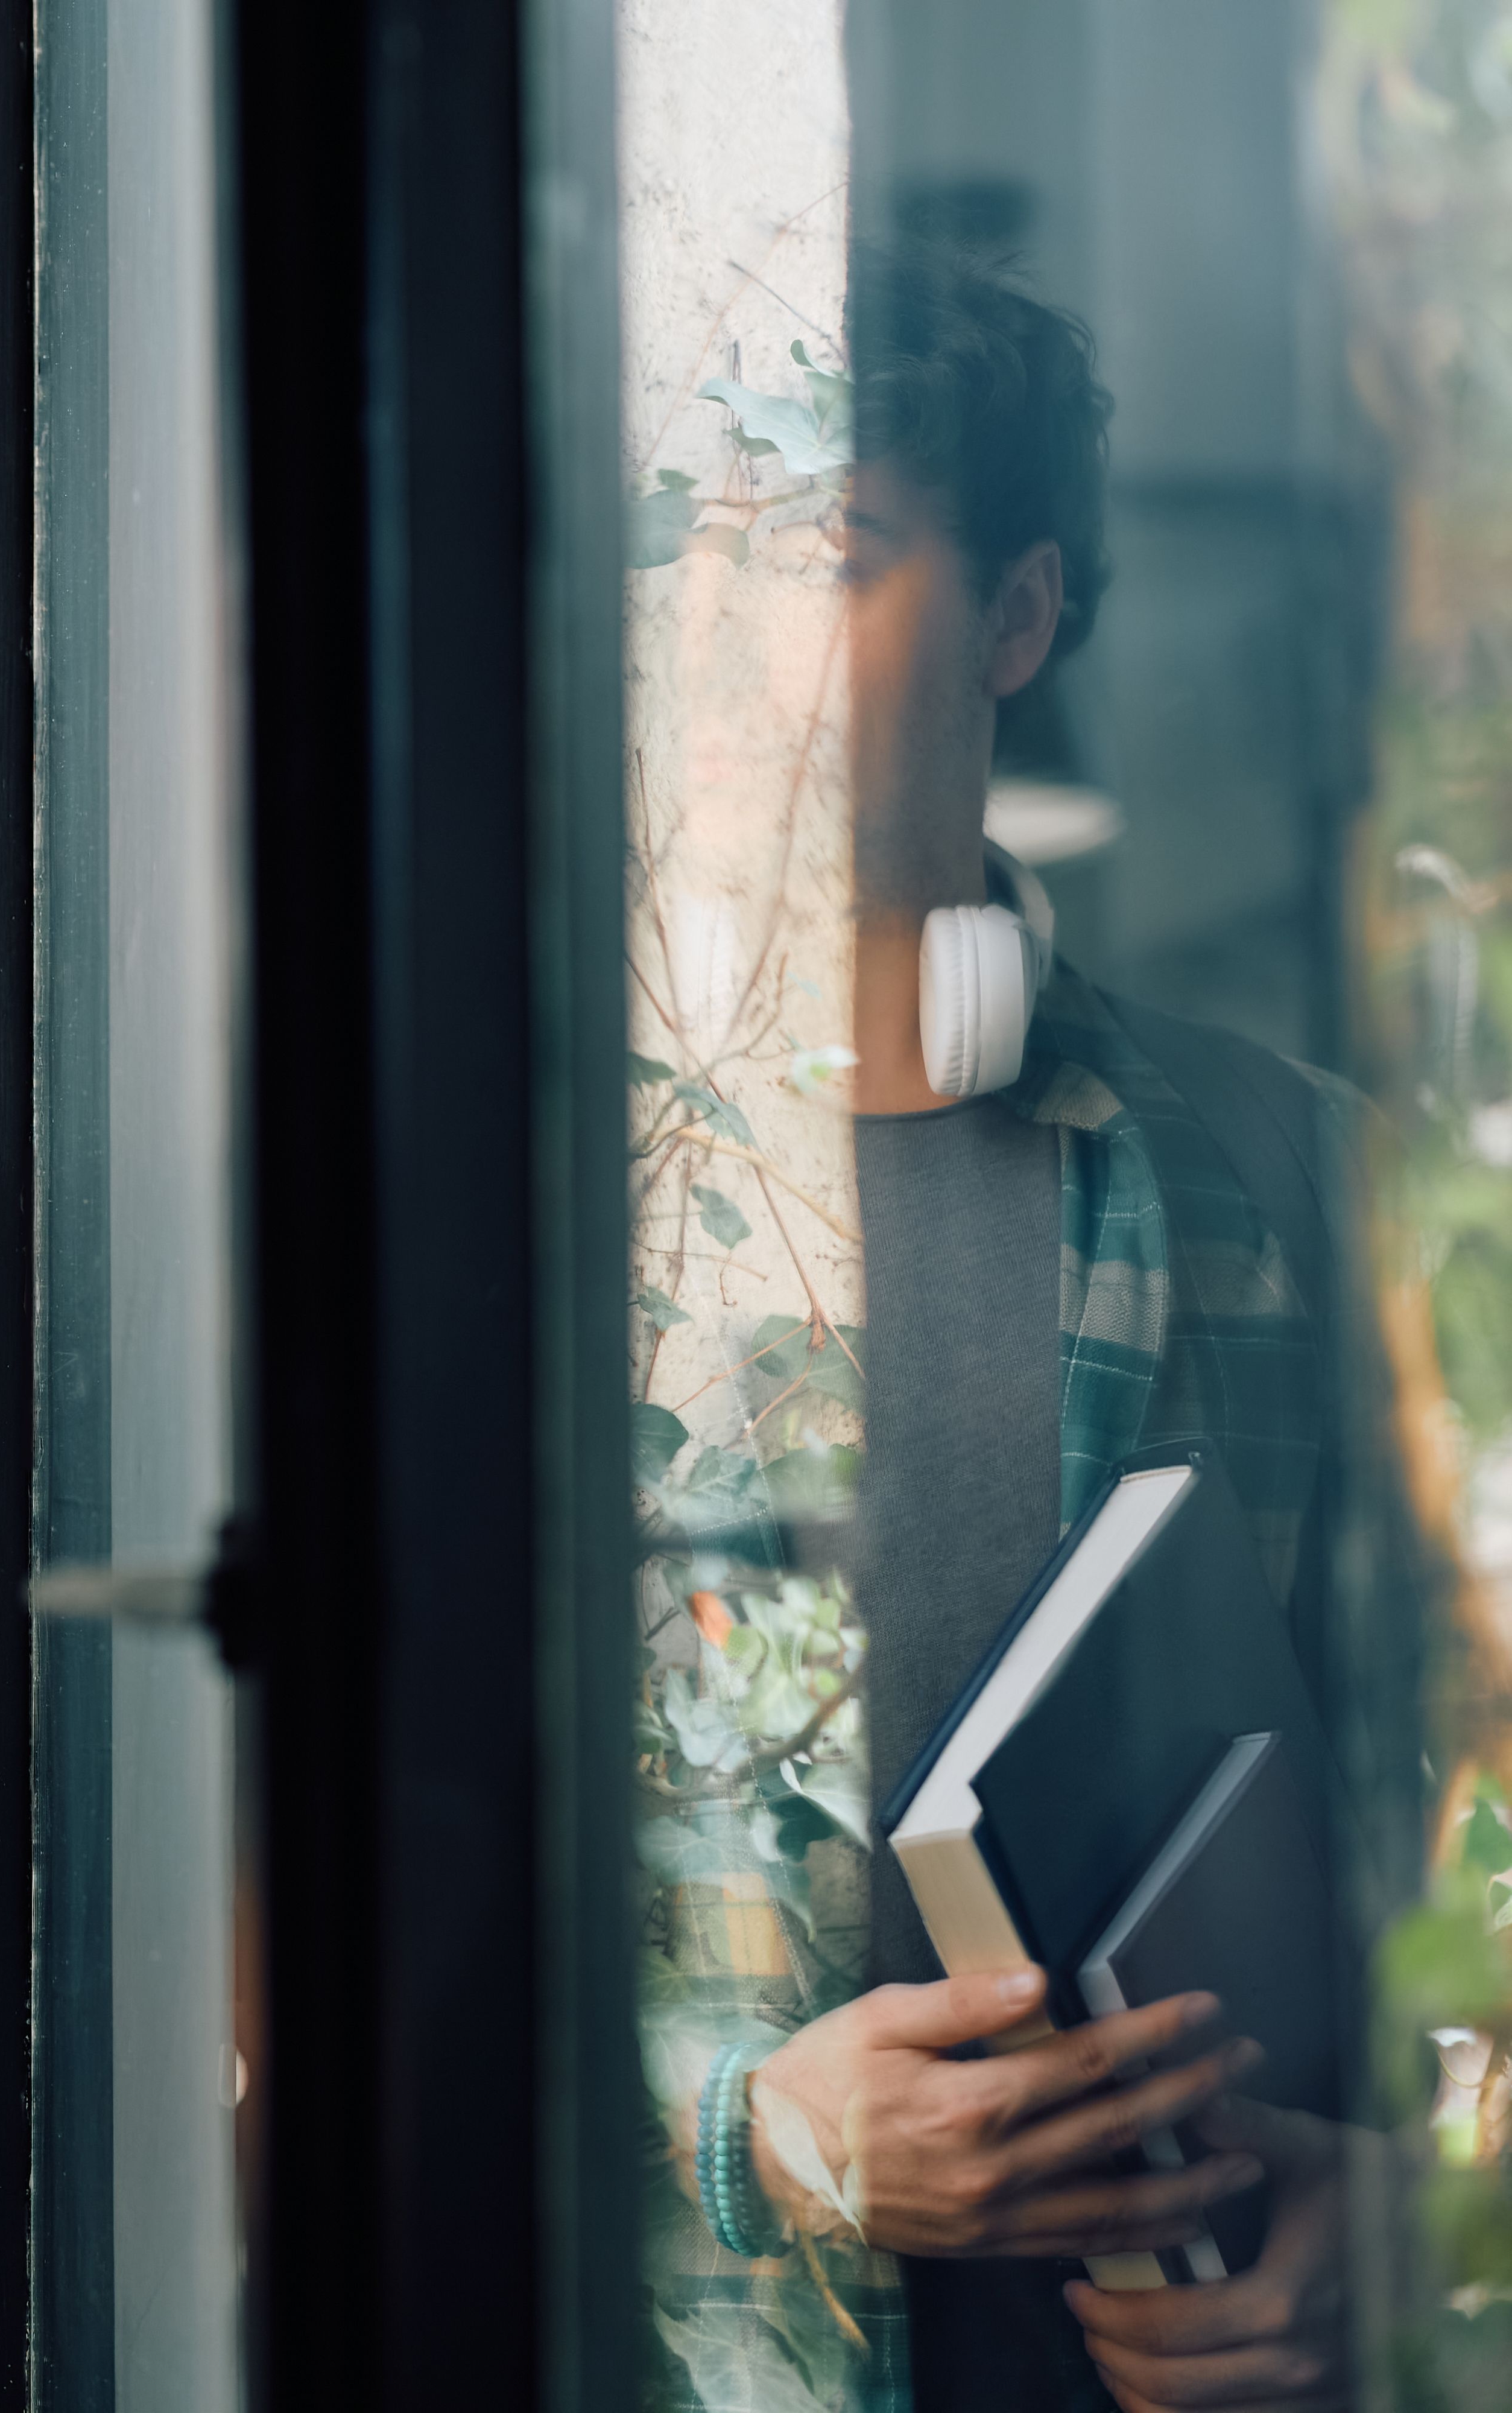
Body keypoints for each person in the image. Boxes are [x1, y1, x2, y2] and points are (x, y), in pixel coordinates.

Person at [692, 246, 1402, 2412]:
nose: (726, 649)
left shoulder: (1295, 1186)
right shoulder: (496, 1214)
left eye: (825, 556)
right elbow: (257, 1959)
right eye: (686, 561)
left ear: (1016, 617)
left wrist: (1425, 2213)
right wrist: (759, 2135)